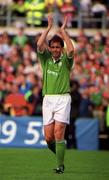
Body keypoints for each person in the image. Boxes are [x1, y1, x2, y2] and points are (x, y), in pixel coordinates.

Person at [37, 14, 74, 174]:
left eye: (58, 47)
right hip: (48, 100)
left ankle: (60, 166)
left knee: (59, 132)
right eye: (53, 47)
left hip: (63, 99)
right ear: (50, 48)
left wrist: (62, 31)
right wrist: (47, 28)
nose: (55, 49)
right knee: (48, 138)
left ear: (61, 48)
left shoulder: (66, 60)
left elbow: (71, 49)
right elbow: (39, 44)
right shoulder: (45, 60)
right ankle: (61, 156)